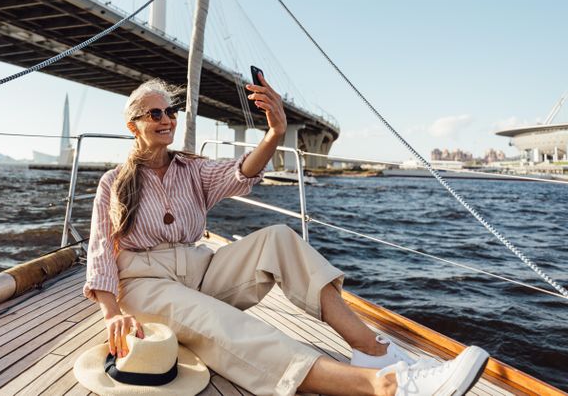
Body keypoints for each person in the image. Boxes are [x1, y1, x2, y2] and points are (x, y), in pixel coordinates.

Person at [82, 77, 489, 396]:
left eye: (170, 111)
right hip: (145, 285)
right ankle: (384, 387)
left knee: (278, 236)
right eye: (155, 114)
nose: (166, 119)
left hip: (199, 270)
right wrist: (111, 313)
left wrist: (275, 133)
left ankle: (372, 350)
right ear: (132, 125)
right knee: (219, 321)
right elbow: (101, 251)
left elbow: (241, 171)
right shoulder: (113, 183)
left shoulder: (193, 169)